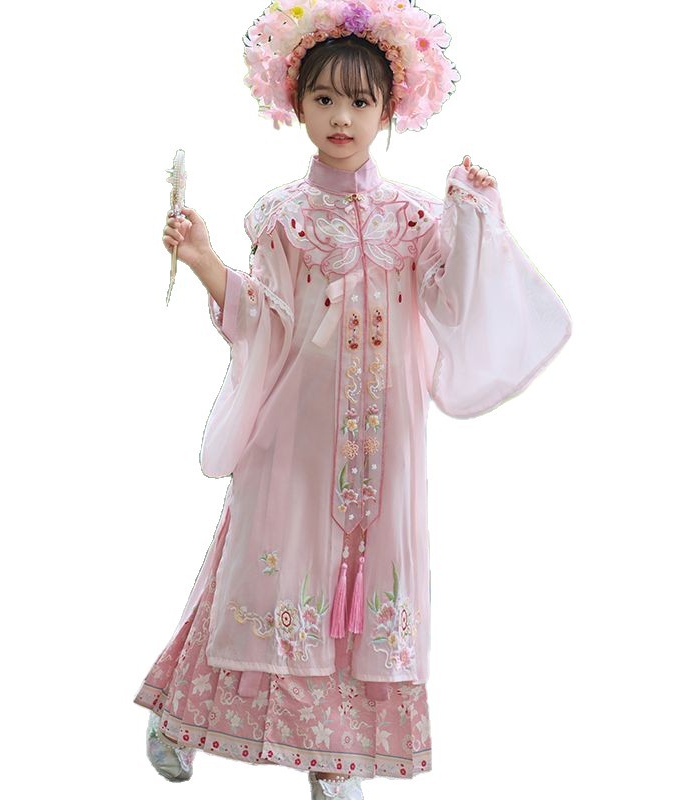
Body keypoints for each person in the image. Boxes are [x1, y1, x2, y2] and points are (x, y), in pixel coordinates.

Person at [134, 2, 572, 798]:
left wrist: (474, 219)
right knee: (260, 576)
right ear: (295, 104)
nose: (342, 117)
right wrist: (202, 258)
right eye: (325, 98)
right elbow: (262, 318)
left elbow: (452, 305)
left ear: (391, 109)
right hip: (296, 440)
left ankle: (336, 759)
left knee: (367, 589)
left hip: (388, 446)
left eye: (360, 101)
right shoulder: (283, 218)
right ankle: (181, 717)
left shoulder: (415, 219)